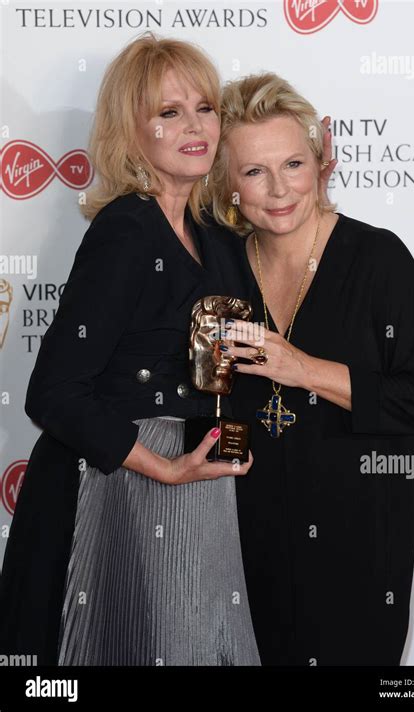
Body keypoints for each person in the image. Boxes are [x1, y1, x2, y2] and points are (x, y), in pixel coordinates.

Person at [0, 35, 260, 666]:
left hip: (196, 494)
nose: (195, 126)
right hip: (116, 488)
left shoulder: (215, 236)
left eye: (204, 107)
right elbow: (54, 392)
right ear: (131, 131)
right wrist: (165, 466)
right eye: (168, 113)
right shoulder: (126, 229)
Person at [208, 72, 414, 665]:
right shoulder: (222, 269)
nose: (278, 189)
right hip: (246, 549)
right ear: (226, 183)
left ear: (324, 158)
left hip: (358, 548)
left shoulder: (378, 260)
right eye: (254, 172)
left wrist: (303, 368)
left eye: (293, 164)